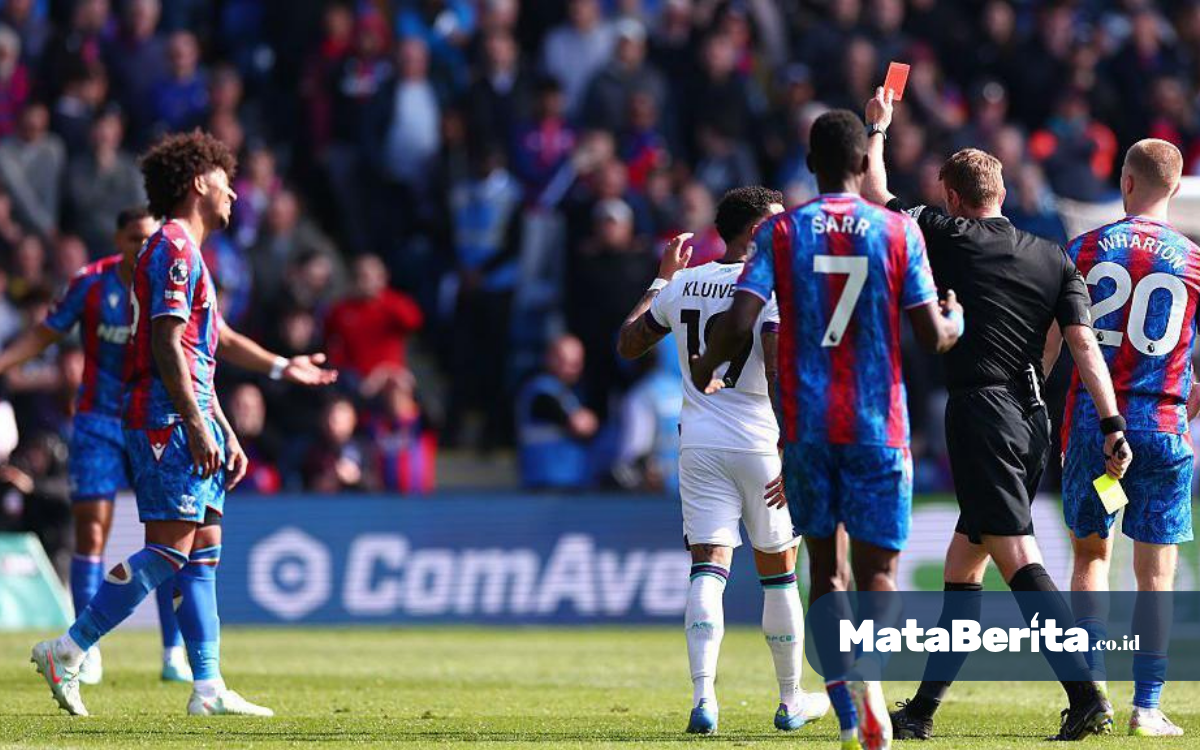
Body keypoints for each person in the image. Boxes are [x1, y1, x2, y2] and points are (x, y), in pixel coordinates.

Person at [861, 87, 1130, 742]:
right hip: (1033, 418)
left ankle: (1086, 693)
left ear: (954, 197)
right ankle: (922, 713)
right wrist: (1110, 421)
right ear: (1002, 192)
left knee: (1016, 556)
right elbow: (1081, 346)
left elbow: (874, 193)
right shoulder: (1053, 256)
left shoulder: (948, 234)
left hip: (982, 411)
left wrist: (879, 127)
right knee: (965, 567)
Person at [691, 111, 963, 750]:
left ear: (811, 165)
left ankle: (847, 714)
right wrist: (954, 320)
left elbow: (739, 319)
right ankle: (870, 682)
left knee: (825, 570)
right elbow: (931, 336)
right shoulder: (897, 231)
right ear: (865, 165)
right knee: (879, 574)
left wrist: (706, 365)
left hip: (807, 429)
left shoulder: (782, 234)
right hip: (878, 425)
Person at [28, 132, 321, 717]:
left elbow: (200, 352)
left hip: (184, 413)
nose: (234, 192)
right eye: (225, 179)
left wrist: (223, 428)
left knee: (203, 549)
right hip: (164, 418)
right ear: (198, 184)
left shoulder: (188, 252)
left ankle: (207, 687)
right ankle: (69, 648)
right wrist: (193, 419)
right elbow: (165, 344)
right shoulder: (175, 250)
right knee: (168, 553)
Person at [617, 188, 831, 735]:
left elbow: (629, 342)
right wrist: (794, 447)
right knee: (779, 574)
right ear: (754, 231)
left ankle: (703, 698)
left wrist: (662, 279)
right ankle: (789, 700)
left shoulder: (686, 284)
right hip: (760, 443)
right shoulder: (770, 287)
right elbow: (782, 371)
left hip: (699, 444)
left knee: (708, 566)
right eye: (777, 226)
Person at [1053, 139, 1197, 738]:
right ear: (1177, 187)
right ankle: (1147, 706)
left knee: (1090, 557)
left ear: (1125, 181)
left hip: (1094, 419)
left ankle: (1092, 696)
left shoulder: (1085, 247)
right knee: (1156, 574)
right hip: (1163, 425)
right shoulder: (1192, 260)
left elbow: (1056, 339)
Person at [515, 334, 597, 490]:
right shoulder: (540, 391)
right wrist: (586, 421)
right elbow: (578, 425)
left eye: (577, 363)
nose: (572, 368)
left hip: (571, 481)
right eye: (565, 361)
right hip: (545, 484)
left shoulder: (569, 393)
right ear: (550, 358)